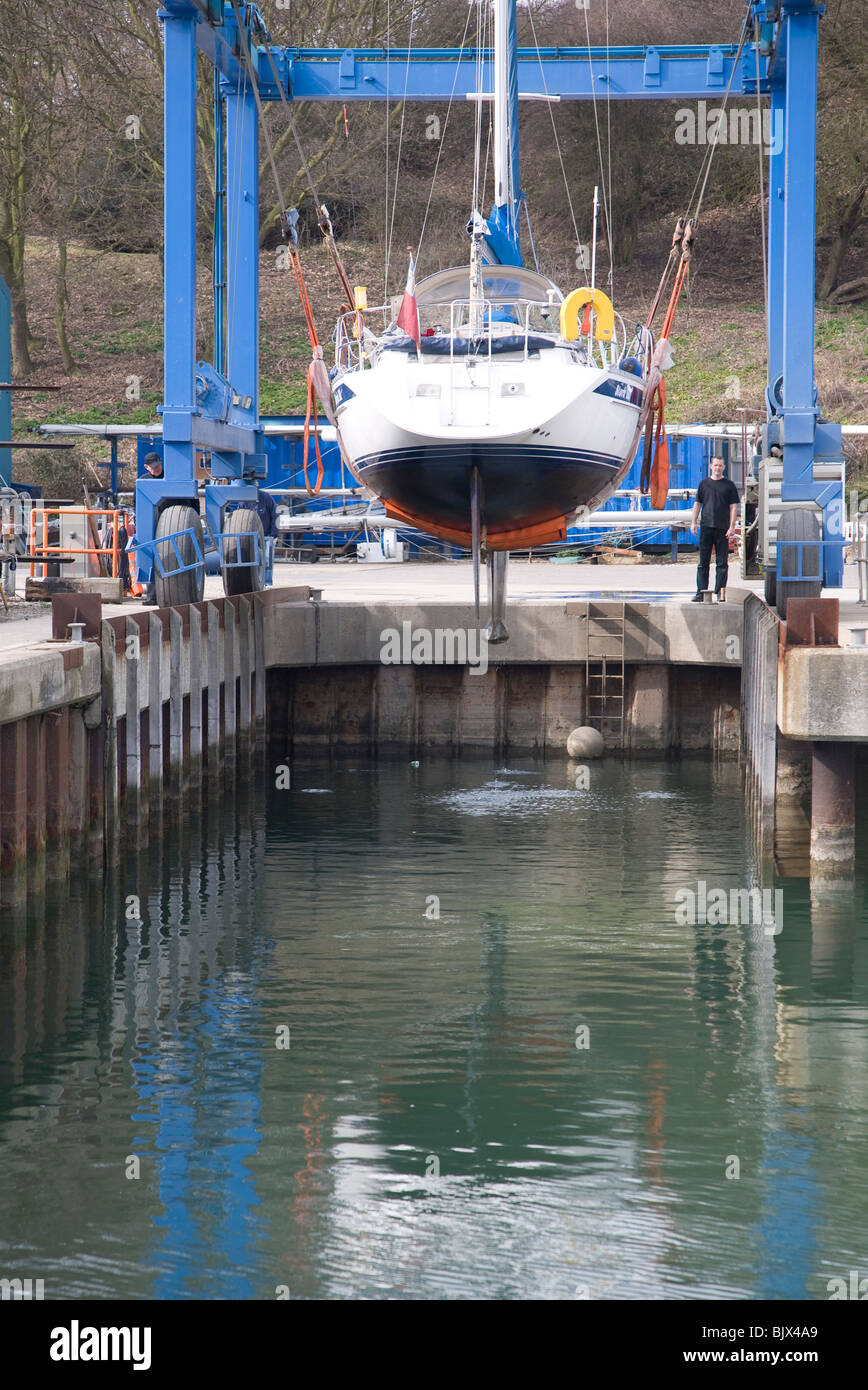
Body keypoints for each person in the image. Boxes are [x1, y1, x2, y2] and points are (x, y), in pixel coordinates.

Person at [689, 455, 739, 602]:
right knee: (703, 563)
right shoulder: (704, 484)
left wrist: (732, 527)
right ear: (711, 466)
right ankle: (701, 592)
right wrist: (693, 522)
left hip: (722, 529)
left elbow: (733, 507)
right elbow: (697, 504)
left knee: (722, 563)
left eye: (720, 466)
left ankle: (720, 592)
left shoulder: (729, 485)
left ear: (724, 467)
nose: (717, 468)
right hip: (706, 527)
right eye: (715, 465)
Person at [140, 452, 163, 603]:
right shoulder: (143, 481)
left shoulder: (171, 478)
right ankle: (152, 596)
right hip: (151, 524)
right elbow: (139, 505)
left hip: (170, 522)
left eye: (158, 465)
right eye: (153, 467)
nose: (157, 469)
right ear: (146, 467)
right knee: (151, 558)